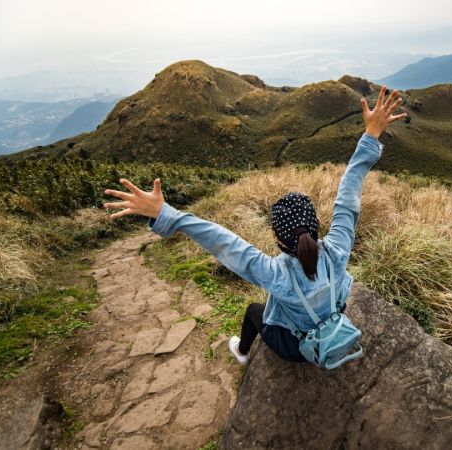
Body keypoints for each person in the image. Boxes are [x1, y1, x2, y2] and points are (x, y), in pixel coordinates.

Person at [103, 85, 406, 364]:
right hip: (333, 327)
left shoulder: (275, 275)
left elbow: (222, 241)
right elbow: (347, 198)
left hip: (296, 350)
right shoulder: (337, 253)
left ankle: (242, 352)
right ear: (316, 225)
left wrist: (166, 213)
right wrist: (371, 134)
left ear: (275, 234)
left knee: (253, 312)